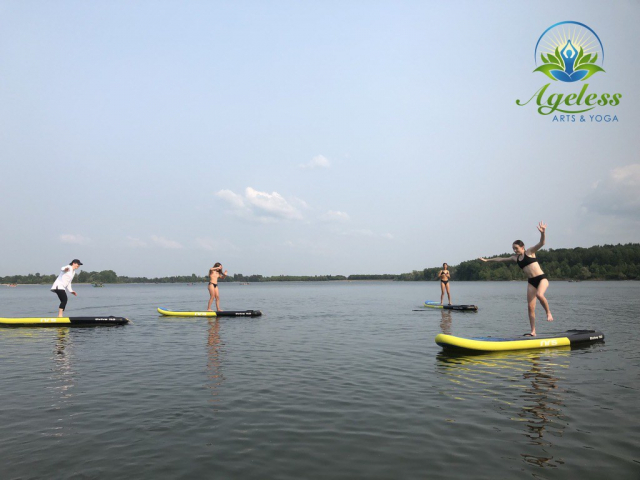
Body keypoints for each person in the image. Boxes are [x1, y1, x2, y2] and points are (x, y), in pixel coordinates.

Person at [479, 222, 553, 336]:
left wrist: (543, 233)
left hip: (541, 279)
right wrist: (487, 260)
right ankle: (533, 331)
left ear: (522, 247)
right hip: (531, 282)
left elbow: (542, 243)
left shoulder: (530, 252)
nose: (515, 250)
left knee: (540, 295)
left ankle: (548, 313)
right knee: (530, 307)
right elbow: (501, 259)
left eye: (516, 248)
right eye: (513, 249)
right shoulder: (515, 258)